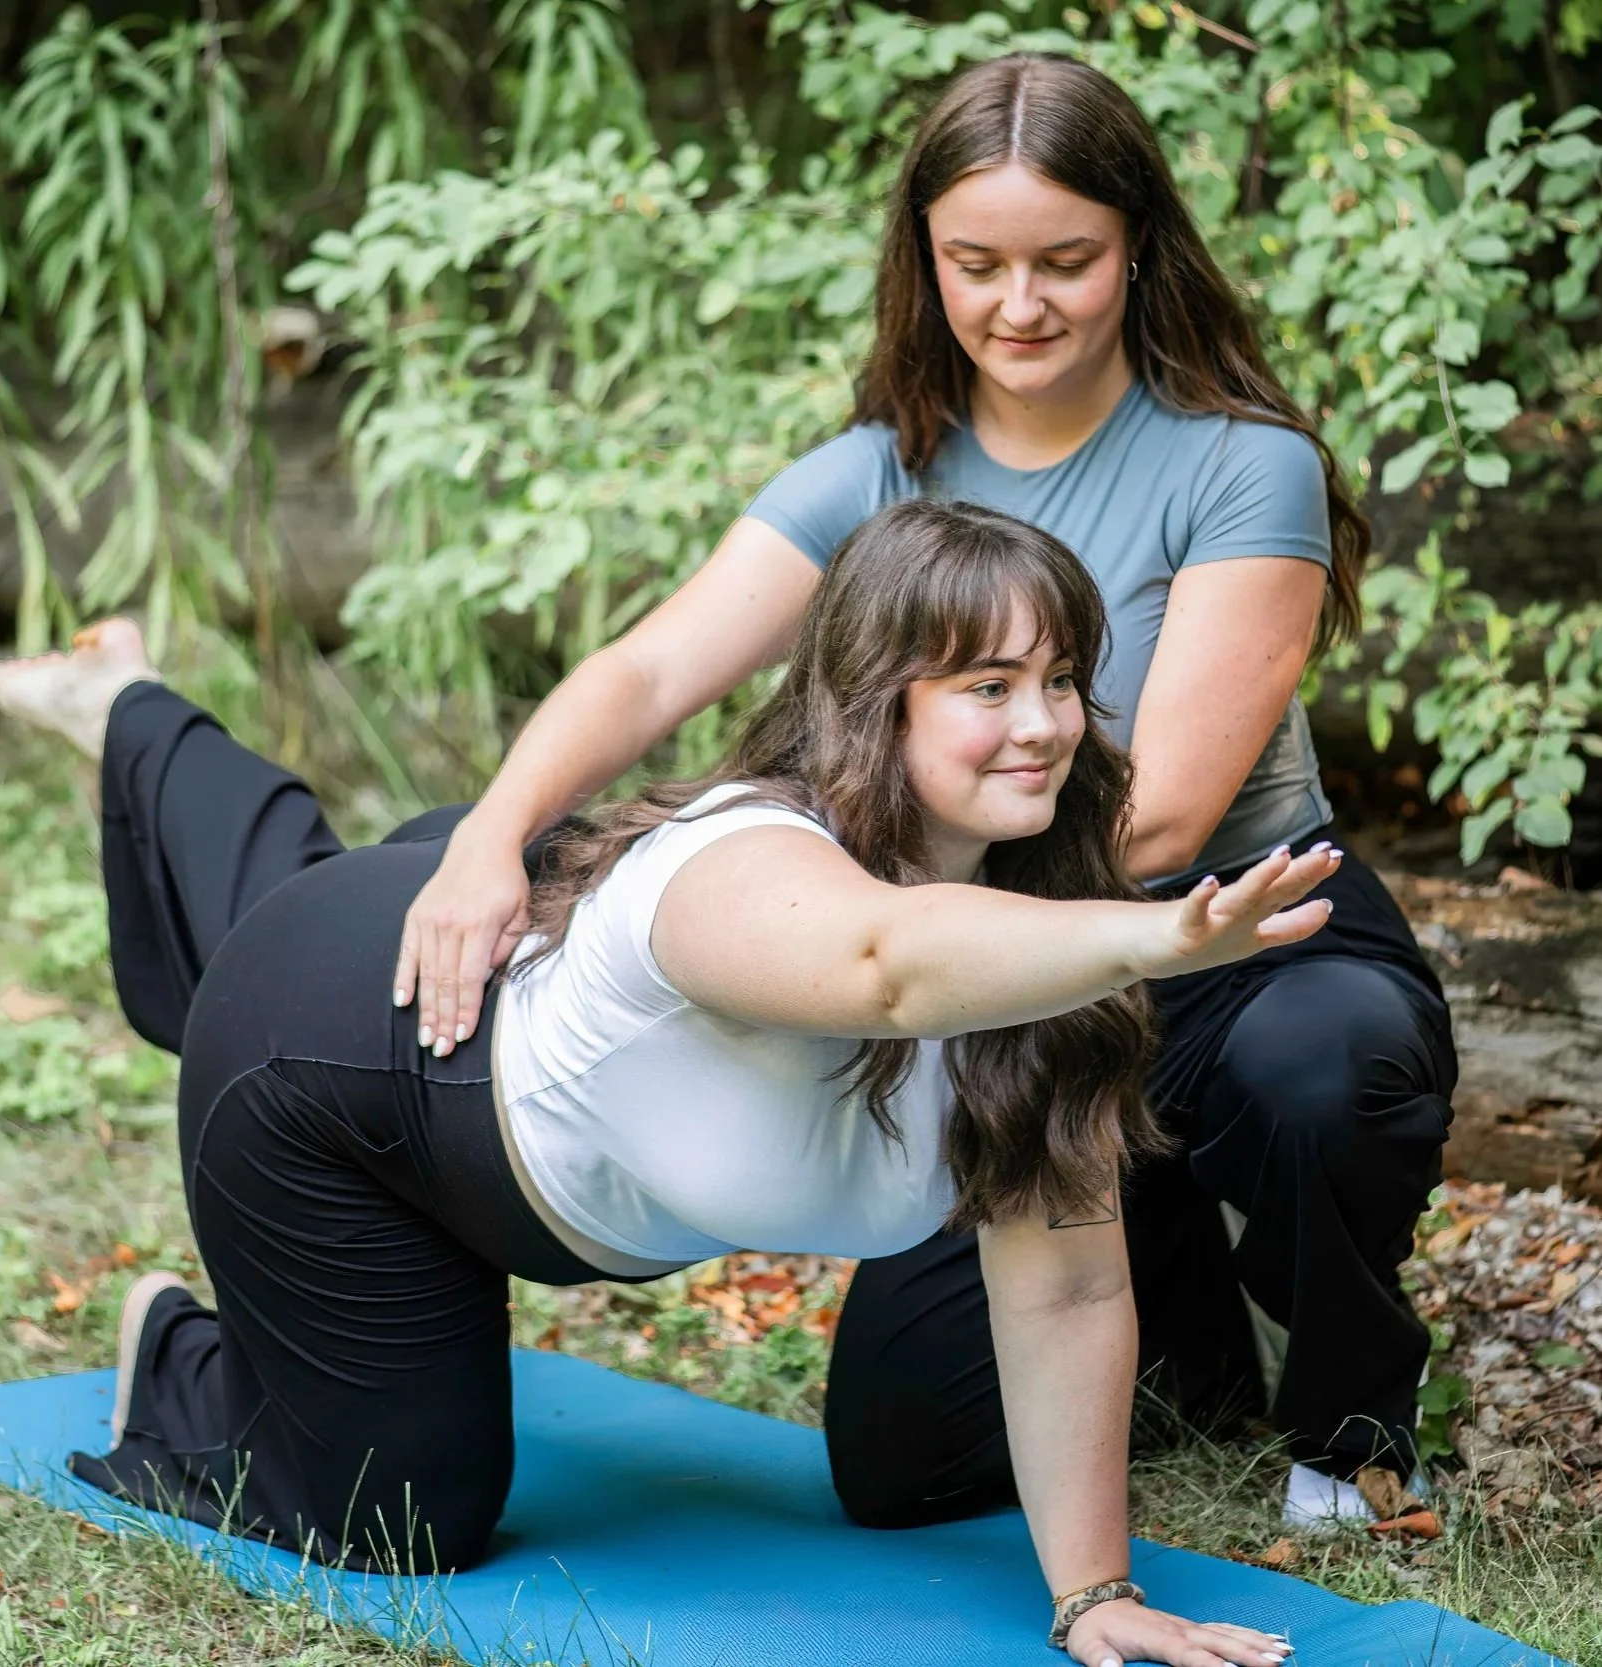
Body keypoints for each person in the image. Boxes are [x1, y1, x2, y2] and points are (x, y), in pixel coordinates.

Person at [0, 500, 1325, 1667]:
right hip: (340, 1084)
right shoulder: (749, 859)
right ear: (876, 700)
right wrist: (1157, 934)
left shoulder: (1036, 953)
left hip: (504, 1025)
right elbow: (882, 965)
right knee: (401, 1518)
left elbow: (1068, 1283)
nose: (1041, 725)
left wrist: (1093, 1592)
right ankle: (181, 1351)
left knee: (292, 884)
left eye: (1060, 679)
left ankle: (122, 704)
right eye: (986, 686)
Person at [392, 52, 1457, 1525]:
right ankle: (1184, 1328)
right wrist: (486, 835)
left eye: (1063, 261)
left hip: (1227, 938)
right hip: (997, 975)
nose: (1018, 304)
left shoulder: (1239, 465)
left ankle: (1349, 1414)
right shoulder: (872, 472)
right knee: (903, 1465)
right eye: (977, 264)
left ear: (1135, 248)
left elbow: (1156, 816)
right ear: (925, 263)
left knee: (1316, 1067)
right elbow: (647, 675)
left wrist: (873, 937)